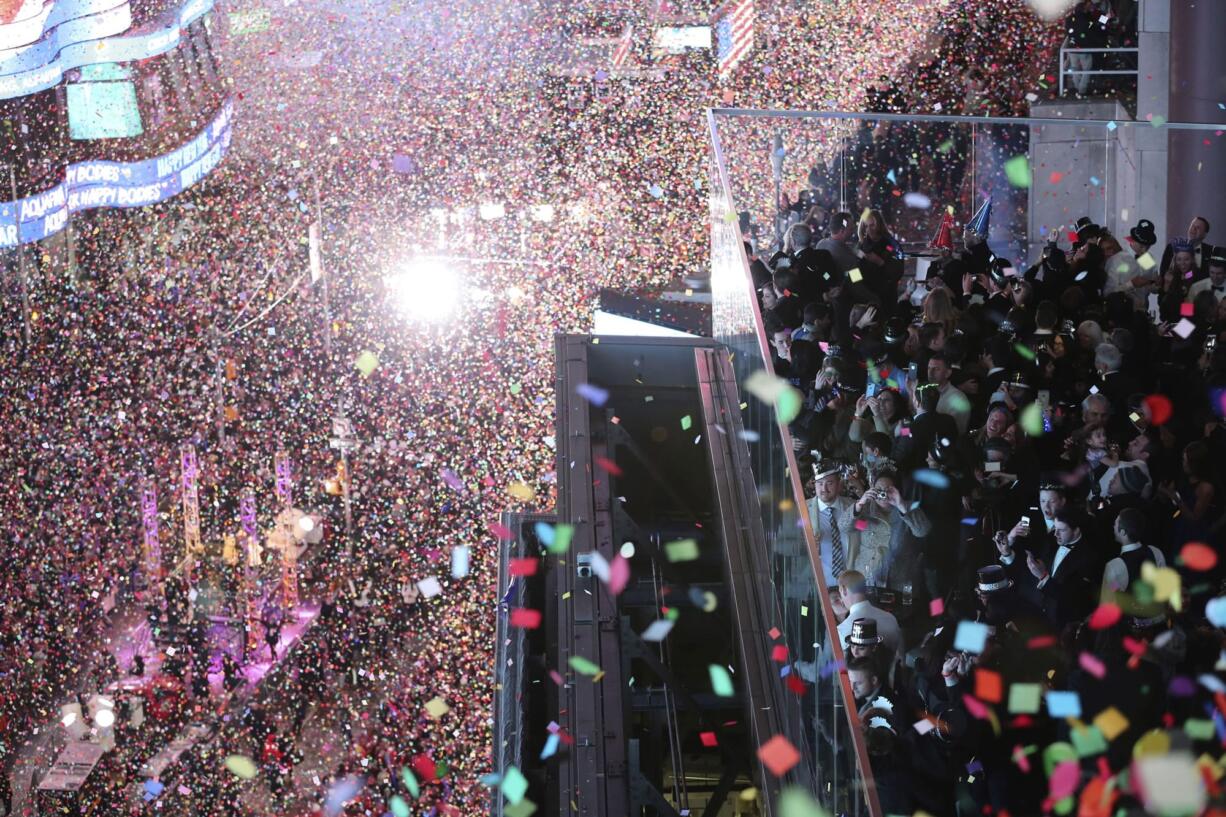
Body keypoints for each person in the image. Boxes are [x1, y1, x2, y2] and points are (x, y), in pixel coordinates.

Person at [806, 460, 861, 587]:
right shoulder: (803, 510)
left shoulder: (853, 507)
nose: (824, 489)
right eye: (819, 484)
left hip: (850, 584)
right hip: (815, 585)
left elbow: (866, 531)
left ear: (839, 484)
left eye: (829, 483)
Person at [1160, 215, 1218, 279]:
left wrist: (1186, 276)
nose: (1193, 229)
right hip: (1174, 287)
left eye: (1198, 227)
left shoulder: (1211, 251)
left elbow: (1207, 274)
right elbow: (1163, 271)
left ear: (1204, 234)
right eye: (1192, 225)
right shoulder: (1171, 247)